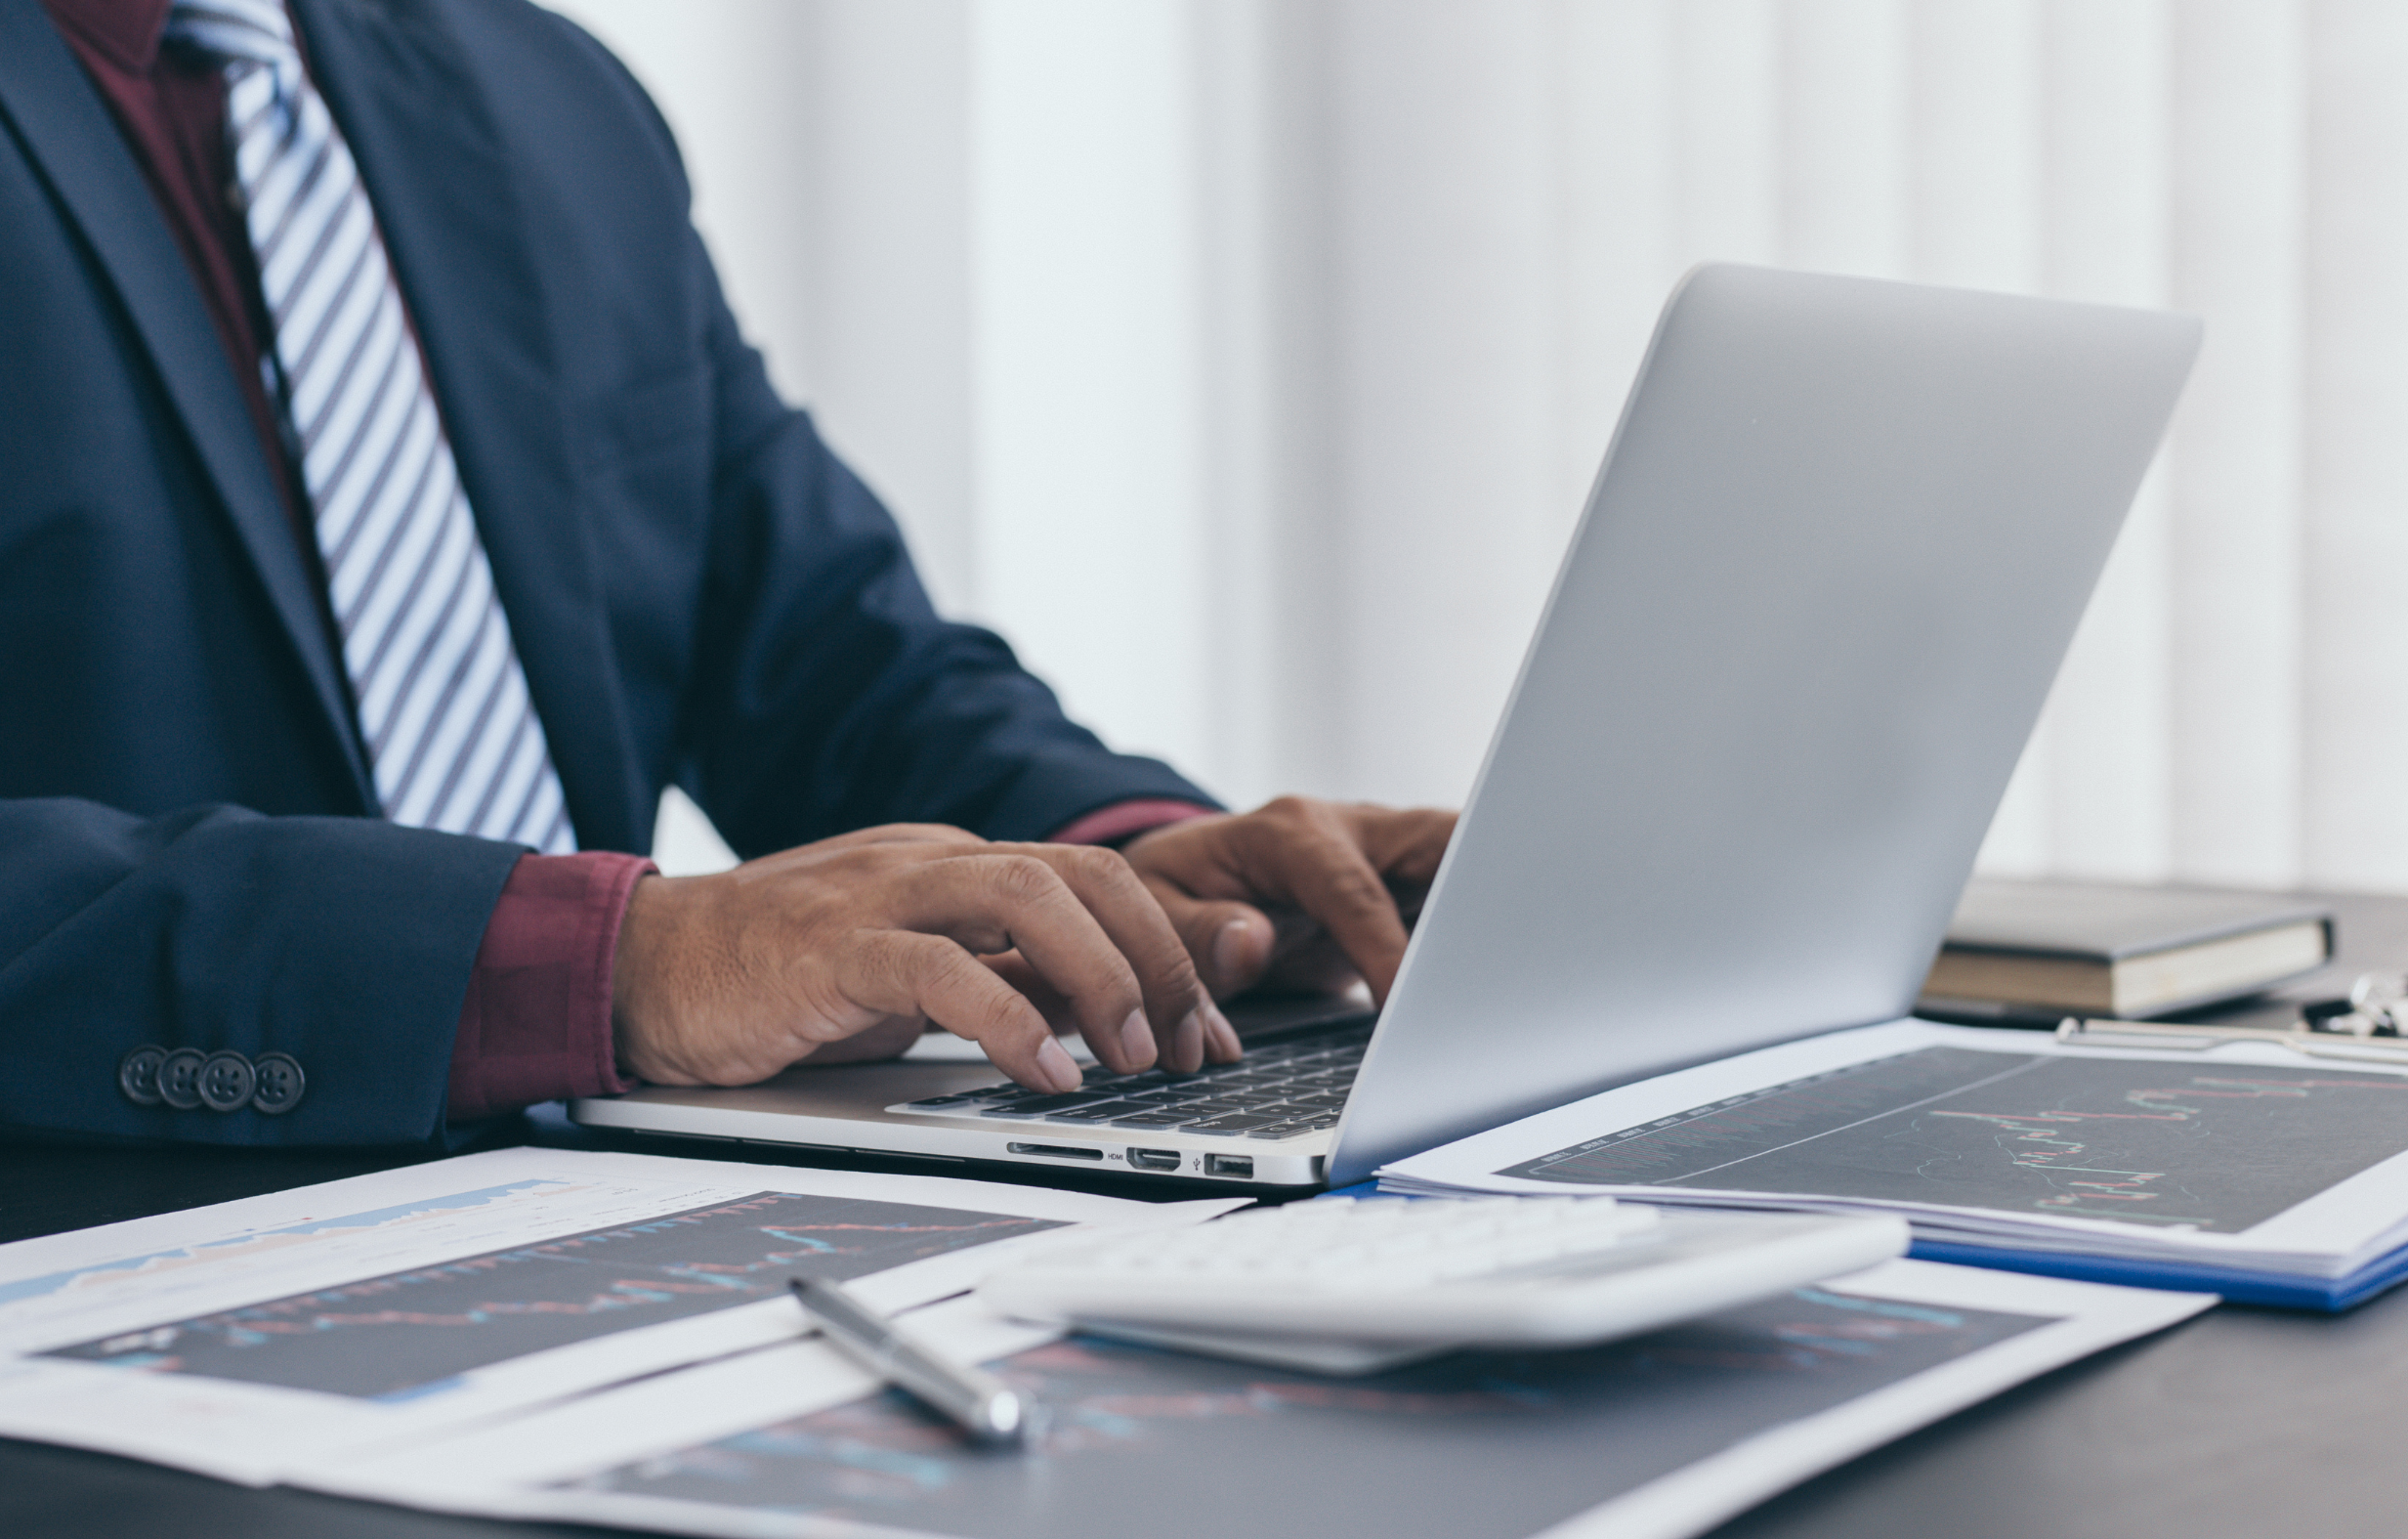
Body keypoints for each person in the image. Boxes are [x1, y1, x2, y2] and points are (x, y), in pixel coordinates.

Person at [0, 0, 1455, 1147]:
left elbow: (825, 653)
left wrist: (1122, 873)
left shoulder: (550, 102)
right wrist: (612, 965)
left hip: (627, 1226)